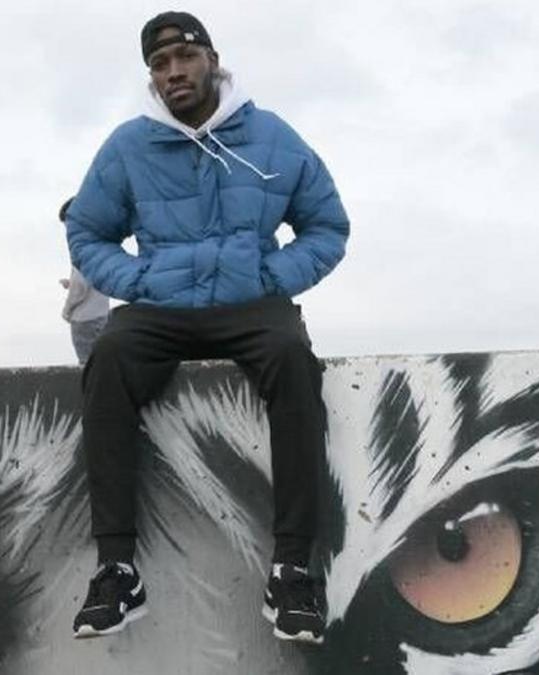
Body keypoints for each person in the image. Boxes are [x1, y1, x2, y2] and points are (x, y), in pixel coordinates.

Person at [65, 11, 349, 645]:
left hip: (252, 303)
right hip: (161, 305)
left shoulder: (272, 136)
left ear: (212, 61)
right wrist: (138, 280)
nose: (173, 73)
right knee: (108, 360)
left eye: (184, 59)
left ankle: (292, 570)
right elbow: (86, 230)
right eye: (159, 66)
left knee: (293, 360)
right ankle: (116, 570)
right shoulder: (128, 146)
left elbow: (328, 226)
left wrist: (270, 277)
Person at [58, 198, 111, 365]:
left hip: (84, 319)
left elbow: (80, 287)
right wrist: (71, 282)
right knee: (103, 363)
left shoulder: (81, 246)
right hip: (102, 314)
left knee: (87, 366)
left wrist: (67, 311)